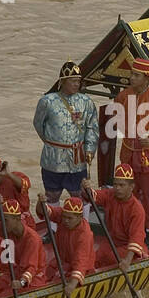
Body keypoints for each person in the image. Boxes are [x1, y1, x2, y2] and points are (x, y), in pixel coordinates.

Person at [109, 57, 149, 240]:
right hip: (128, 152)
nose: (132, 79)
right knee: (128, 194)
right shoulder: (123, 96)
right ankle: (126, 229)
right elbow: (115, 116)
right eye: (132, 75)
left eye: (136, 75)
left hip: (147, 157)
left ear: (146, 78)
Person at [33, 61, 99, 204]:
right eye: (73, 81)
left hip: (77, 159)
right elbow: (38, 124)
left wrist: (89, 149)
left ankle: (83, 224)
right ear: (62, 81)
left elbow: (92, 127)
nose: (76, 84)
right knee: (51, 195)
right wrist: (52, 142)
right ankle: (53, 225)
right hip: (53, 158)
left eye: (78, 81)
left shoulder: (86, 101)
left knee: (81, 196)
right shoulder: (47, 101)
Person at [83, 165, 147, 271]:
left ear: (131, 187)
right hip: (112, 241)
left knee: (111, 257)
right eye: (115, 184)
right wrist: (87, 189)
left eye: (122, 185)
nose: (117, 188)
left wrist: (127, 260)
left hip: (128, 246)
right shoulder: (111, 194)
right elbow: (94, 196)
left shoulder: (137, 209)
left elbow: (136, 237)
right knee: (93, 259)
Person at [37, 194, 95, 288]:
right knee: (41, 278)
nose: (66, 221)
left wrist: (72, 284)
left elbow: (81, 260)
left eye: (70, 218)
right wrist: (40, 202)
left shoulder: (85, 234)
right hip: (61, 262)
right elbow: (43, 211)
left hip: (80, 268)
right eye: (64, 217)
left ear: (79, 217)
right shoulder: (62, 216)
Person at [0, 199, 47, 291]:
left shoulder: (32, 239)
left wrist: (21, 282)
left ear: (17, 219)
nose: (2, 223)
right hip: (17, 272)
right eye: (1, 220)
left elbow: (31, 268)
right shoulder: (8, 229)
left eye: (5, 220)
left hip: (33, 278)